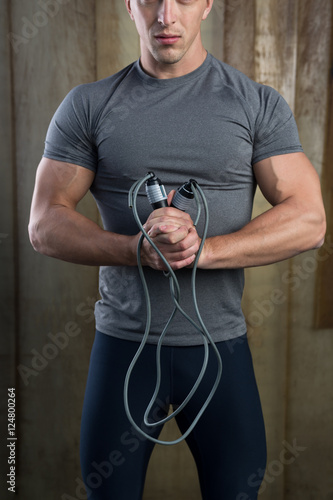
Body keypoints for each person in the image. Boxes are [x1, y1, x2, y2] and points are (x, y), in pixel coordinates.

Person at [28, 0, 326, 498]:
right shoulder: (88, 105)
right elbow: (44, 223)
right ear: (130, 5)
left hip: (220, 350)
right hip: (124, 347)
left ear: (207, 3)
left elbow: (310, 219)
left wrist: (201, 250)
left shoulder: (255, 103)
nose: (166, 15)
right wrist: (134, 249)